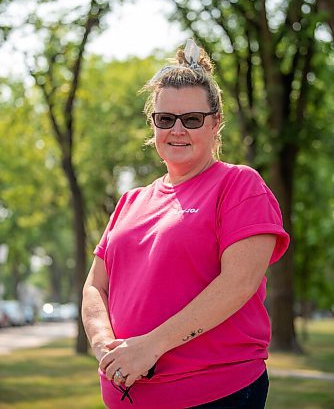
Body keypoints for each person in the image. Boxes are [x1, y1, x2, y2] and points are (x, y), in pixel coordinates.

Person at [82, 39, 290, 408]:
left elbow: (239, 282)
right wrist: (106, 348)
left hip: (215, 393)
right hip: (127, 396)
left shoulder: (239, 185)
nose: (177, 130)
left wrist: (151, 346)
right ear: (153, 124)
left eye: (192, 119)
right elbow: (95, 286)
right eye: (166, 119)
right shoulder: (131, 201)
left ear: (215, 123)